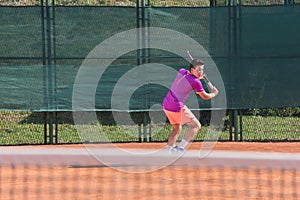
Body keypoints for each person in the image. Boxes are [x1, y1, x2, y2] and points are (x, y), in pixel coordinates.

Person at [162, 59, 219, 153]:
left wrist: (197, 76)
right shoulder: (196, 82)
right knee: (196, 126)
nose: (201, 72)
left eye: (202, 70)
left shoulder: (182, 71)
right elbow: (204, 96)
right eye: (198, 70)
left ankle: (167, 152)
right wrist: (213, 93)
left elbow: (188, 77)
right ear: (192, 70)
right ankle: (180, 148)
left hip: (166, 105)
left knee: (177, 128)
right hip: (176, 106)